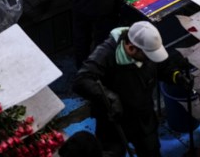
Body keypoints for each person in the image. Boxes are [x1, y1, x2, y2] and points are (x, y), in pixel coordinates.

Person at [72, 21, 189, 157]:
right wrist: (110, 98)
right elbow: (81, 80)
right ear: (131, 48)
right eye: (147, 55)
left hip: (143, 117)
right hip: (114, 122)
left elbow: (162, 65)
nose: (149, 59)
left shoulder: (146, 48)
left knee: (151, 151)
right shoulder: (106, 54)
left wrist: (176, 76)